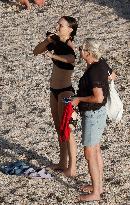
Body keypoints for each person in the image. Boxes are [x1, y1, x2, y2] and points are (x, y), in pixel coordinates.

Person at [71, 38, 116, 201]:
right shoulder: (101, 64)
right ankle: (97, 186)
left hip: (93, 113)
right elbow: (113, 76)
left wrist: (79, 100)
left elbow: (98, 98)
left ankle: (96, 193)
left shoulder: (94, 71)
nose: (80, 50)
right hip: (99, 113)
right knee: (96, 149)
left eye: (82, 49)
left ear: (88, 53)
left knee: (90, 152)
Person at [33, 16, 78, 176]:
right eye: (58, 24)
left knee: (67, 130)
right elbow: (35, 51)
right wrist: (47, 42)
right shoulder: (54, 40)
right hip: (54, 91)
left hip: (66, 91)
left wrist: (53, 56)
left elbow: (71, 59)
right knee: (59, 128)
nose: (57, 26)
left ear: (70, 29)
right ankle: (62, 162)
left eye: (61, 25)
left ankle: (72, 168)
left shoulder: (69, 45)